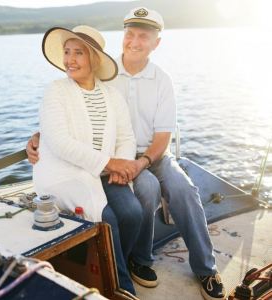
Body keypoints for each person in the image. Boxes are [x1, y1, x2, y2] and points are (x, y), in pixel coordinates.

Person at [28, 8, 226, 300]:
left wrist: (138, 162)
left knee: (184, 190)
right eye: (129, 34)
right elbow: (72, 117)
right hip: (111, 160)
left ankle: (206, 269)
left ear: (155, 43)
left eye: (142, 37)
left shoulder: (162, 80)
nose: (134, 42)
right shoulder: (105, 75)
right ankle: (138, 261)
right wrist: (37, 137)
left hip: (151, 155)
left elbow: (161, 137)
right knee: (145, 189)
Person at [33, 24, 142, 296]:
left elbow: (126, 138)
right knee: (107, 220)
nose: (70, 59)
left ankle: (118, 265)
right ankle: (122, 288)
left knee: (133, 213)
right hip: (65, 175)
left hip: (104, 172)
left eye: (78, 53)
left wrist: (122, 166)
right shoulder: (56, 91)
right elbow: (59, 142)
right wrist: (109, 163)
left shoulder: (111, 95)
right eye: (67, 52)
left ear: (94, 59)